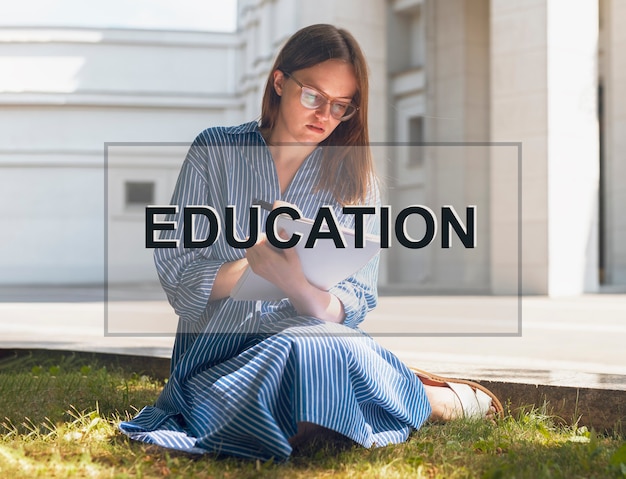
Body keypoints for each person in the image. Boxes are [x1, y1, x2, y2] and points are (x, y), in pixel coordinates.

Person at [119, 23, 502, 461]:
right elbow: (178, 276)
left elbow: (354, 301)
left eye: (341, 106)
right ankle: (416, 396)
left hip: (307, 336)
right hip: (217, 352)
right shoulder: (215, 150)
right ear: (280, 82)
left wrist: (296, 284)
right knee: (304, 382)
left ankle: (371, 391)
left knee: (308, 349)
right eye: (313, 96)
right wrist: (249, 267)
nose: (324, 115)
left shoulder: (356, 181)